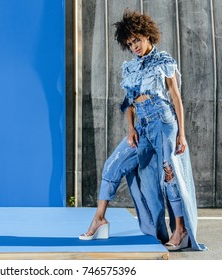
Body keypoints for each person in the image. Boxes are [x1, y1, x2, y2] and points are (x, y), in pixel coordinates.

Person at [80, 8, 206, 251]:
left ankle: (179, 230)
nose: (134, 46)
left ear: (148, 35)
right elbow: (128, 101)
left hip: (164, 122)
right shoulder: (129, 68)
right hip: (142, 125)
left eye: (137, 39)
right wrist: (130, 128)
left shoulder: (164, 61)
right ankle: (99, 218)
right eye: (130, 43)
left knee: (169, 176)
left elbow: (176, 98)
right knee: (113, 165)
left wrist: (182, 133)